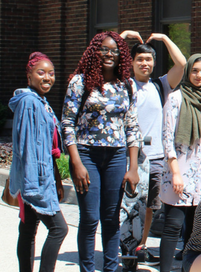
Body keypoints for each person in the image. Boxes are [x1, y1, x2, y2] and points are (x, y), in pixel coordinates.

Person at [61, 31, 142, 272]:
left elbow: (132, 126)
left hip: (116, 156)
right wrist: (75, 162)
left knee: (111, 218)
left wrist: (133, 167)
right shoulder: (80, 82)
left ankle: (110, 268)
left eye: (114, 50)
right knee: (89, 218)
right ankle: (87, 269)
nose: (109, 54)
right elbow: (67, 123)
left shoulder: (127, 85)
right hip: (87, 154)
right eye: (104, 49)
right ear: (95, 51)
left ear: (121, 56)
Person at [125, 31, 187, 264]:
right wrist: (122, 37)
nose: (144, 63)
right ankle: (125, 247)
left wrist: (164, 38)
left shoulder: (161, 85)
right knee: (126, 206)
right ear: (131, 62)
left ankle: (140, 245)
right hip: (129, 157)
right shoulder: (124, 85)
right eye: (139, 59)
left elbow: (181, 63)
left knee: (150, 205)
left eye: (148, 59)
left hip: (156, 157)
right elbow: (104, 63)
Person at [159, 54, 201, 272]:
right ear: (188, 72)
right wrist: (175, 172)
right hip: (180, 170)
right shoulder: (175, 98)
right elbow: (167, 139)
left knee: (195, 229)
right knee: (173, 225)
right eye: (195, 71)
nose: (199, 75)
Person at [11, 52, 68, 272]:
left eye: (51, 73)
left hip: (42, 177)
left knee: (28, 229)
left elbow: (48, 148)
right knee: (59, 229)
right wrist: (33, 186)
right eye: (41, 72)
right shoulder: (28, 102)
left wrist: (56, 180)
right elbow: (27, 148)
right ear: (29, 77)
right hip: (34, 179)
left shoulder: (40, 101)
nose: (47, 77)